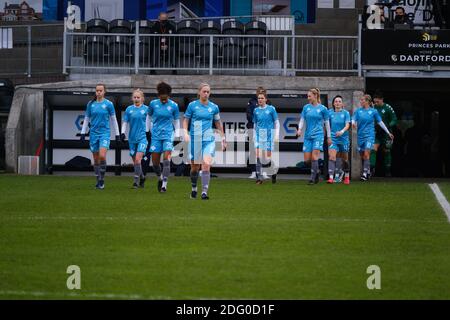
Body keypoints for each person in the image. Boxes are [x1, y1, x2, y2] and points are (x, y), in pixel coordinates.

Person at [182, 83, 227, 200]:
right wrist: (185, 133)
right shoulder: (192, 106)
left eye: (208, 92)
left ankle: (204, 192)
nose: (206, 94)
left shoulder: (214, 107)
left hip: (209, 140)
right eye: (204, 91)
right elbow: (186, 120)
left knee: (206, 165)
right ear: (199, 92)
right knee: (194, 168)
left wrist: (223, 138)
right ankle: (194, 188)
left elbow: (218, 123)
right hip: (195, 139)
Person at [80, 84, 120, 189]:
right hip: (93, 134)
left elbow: (114, 119)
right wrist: (83, 133)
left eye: (100, 90)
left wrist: (117, 134)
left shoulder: (109, 104)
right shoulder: (91, 104)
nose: (98, 92)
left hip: (104, 134)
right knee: (96, 159)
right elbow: (87, 118)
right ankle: (98, 180)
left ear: (104, 92)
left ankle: (102, 179)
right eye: (97, 90)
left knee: (102, 156)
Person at [352, 94, 394, 181]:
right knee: (362, 155)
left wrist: (388, 132)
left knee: (367, 154)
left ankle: (364, 174)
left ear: (367, 101)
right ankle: (367, 170)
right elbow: (353, 119)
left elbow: (380, 122)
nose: (361, 101)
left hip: (370, 135)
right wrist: (353, 123)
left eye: (362, 100)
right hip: (360, 136)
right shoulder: (358, 111)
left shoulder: (373, 111)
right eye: (361, 100)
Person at [148, 82, 180, 193]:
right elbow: (149, 117)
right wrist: (148, 130)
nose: (164, 100)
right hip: (156, 136)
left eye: (165, 98)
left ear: (169, 96)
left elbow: (176, 121)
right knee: (155, 163)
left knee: (166, 160)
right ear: (158, 96)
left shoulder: (174, 106)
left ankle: (164, 186)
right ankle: (160, 178)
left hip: (168, 135)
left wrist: (176, 134)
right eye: (162, 99)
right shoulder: (153, 104)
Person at [296, 88, 331, 185]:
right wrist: (299, 129)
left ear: (315, 96)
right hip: (308, 136)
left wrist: (329, 137)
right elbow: (302, 120)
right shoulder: (306, 107)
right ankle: (317, 171)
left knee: (315, 157)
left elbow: (327, 124)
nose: (308, 98)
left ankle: (312, 178)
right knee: (307, 160)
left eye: (309, 96)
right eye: (307, 96)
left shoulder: (323, 109)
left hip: (318, 135)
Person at [120, 89, 151, 189]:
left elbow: (151, 122)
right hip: (132, 139)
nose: (136, 99)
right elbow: (125, 122)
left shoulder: (146, 109)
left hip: (142, 138)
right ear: (132, 98)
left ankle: (136, 182)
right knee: (135, 162)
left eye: (138, 97)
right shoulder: (129, 109)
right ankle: (142, 177)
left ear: (142, 98)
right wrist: (122, 133)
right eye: (135, 97)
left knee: (138, 160)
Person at [252, 91, 279, 184]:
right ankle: (259, 178)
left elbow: (277, 123)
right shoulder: (256, 110)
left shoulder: (271, 109)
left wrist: (276, 135)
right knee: (258, 157)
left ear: (266, 99)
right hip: (259, 136)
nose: (260, 100)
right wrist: (254, 136)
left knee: (267, 158)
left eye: (262, 98)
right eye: (259, 98)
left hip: (269, 136)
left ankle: (274, 170)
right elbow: (255, 124)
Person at [372, 91, 397, 177]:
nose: (376, 103)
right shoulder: (373, 107)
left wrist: (388, 126)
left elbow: (394, 119)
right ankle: (372, 169)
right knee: (373, 149)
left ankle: (387, 170)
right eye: (374, 101)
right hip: (376, 133)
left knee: (387, 151)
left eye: (377, 101)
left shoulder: (388, 108)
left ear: (382, 99)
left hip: (386, 133)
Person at [327, 95, 351, 185]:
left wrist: (342, 131)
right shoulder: (329, 113)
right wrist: (328, 137)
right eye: (336, 101)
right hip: (333, 139)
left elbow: (347, 125)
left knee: (345, 159)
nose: (337, 103)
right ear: (333, 103)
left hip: (344, 138)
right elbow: (327, 125)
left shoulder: (346, 113)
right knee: (332, 157)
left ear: (342, 103)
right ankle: (331, 178)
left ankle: (347, 177)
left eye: (339, 101)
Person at [246, 86, 268, 179]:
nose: (260, 94)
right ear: (256, 93)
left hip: (264, 129)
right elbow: (248, 114)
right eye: (259, 92)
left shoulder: (268, 102)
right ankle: (254, 171)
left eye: (262, 92)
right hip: (252, 128)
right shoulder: (251, 102)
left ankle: (264, 171)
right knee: (253, 151)